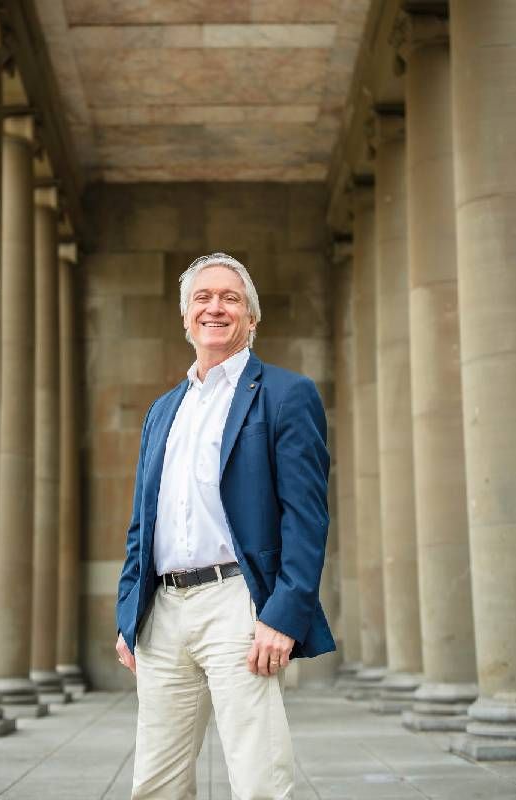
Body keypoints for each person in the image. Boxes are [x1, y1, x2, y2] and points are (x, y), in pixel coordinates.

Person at [116, 252, 334, 800]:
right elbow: (144, 522)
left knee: (259, 778)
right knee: (154, 785)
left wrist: (283, 614)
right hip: (161, 615)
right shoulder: (162, 410)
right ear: (186, 317)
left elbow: (307, 519)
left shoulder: (287, 394)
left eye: (230, 298)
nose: (215, 307)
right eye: (202, 298)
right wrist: (128, 613)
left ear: (252, 319)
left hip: (238, 603)